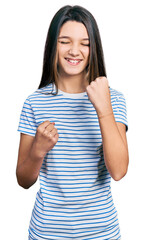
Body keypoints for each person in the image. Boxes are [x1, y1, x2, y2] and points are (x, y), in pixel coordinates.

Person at [16, 5, 129, 240]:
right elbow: (23, 180)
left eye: (85, 43)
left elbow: (118, 171)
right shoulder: (34, 102)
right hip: (46, 233)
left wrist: (104, 111)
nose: (74, 51)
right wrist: (38, 150)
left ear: (93, 49)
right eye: (65, 41)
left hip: (102, 233)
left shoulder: (113, 99)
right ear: (52, 46)